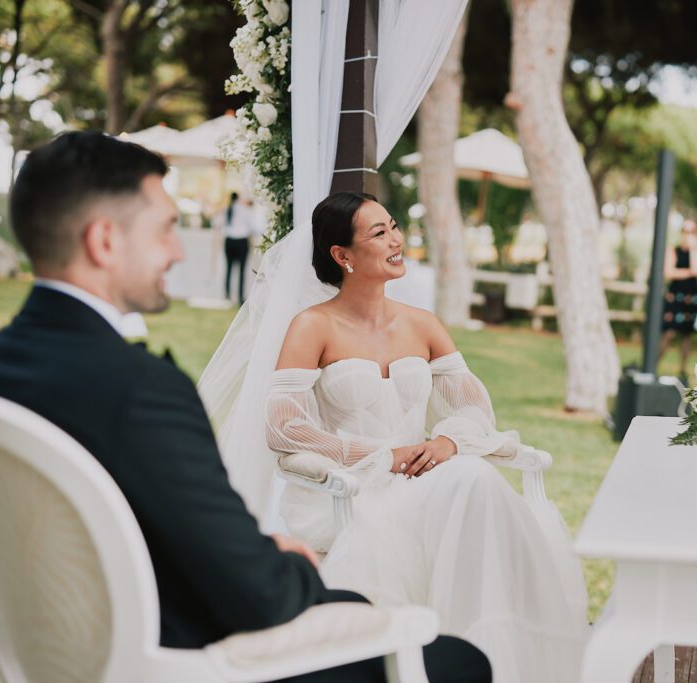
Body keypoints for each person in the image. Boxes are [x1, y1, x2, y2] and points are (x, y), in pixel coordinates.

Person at [0, 133, 491, 683]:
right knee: (457, 661)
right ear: (104, 241)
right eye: (165, 229)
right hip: (183, 659)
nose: (177, 252)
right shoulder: (143, 390)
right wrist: (293, 566)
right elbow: (256, 595)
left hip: (75, 650)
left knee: (363, 609)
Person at [213, 191, 588, 683]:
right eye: (379, 233)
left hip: (425, 479)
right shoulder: (312, 326)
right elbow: (283, 424)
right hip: (357, 488)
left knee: (470, 476)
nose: (396, 240)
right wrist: (379, 456)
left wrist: (448, 442)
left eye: (393, 226)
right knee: (471, 481)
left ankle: (495, 654)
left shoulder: (423, 324)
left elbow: (473, 406)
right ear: (342, 255)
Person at [658, 219, 697, 378]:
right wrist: (689, 272)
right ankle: (654, 363)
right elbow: (668, 273)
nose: (688, 234)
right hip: (675, 295)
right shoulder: (673, 250)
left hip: (691, 296)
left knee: (687, 334)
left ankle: (682, 370)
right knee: (669, 332)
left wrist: (692, 249)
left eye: (692, 231)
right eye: (685, 231)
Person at [224, 192, 256, 305]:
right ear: (238, 199)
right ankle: (240, 297)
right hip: (242, 241)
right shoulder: (244, 210)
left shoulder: (227, 210)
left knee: (229, 269)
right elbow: (253, 227)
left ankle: (227, 295)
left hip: (229, 241)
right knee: (242, 271)